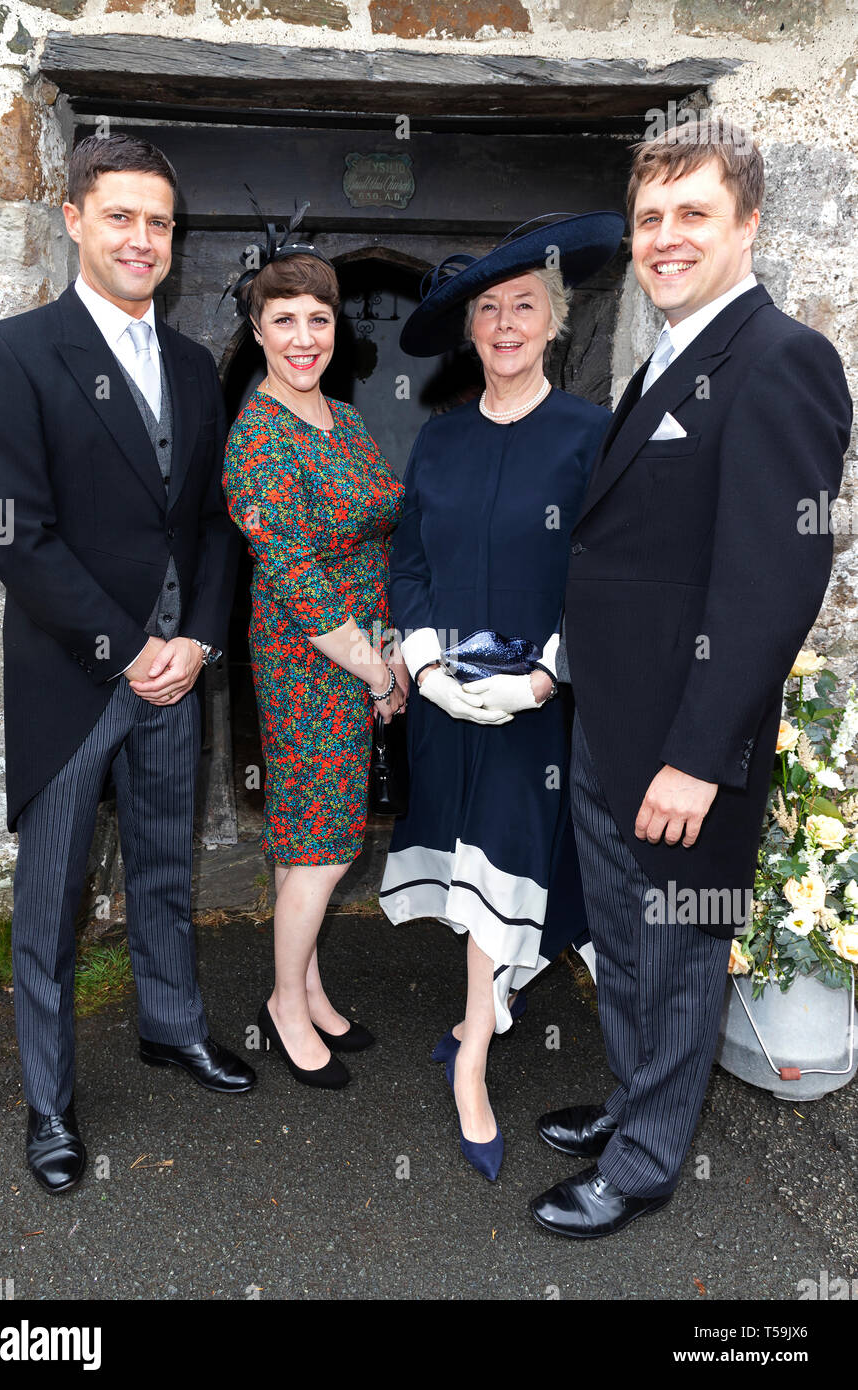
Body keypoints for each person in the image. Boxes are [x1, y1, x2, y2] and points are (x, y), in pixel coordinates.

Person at [530, 122, 853, 1239]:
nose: (664, 239)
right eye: (650, 217)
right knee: (621, 941)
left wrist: (694, 759)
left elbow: (767, 586)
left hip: (678, 744)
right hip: (608, 727)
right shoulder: (667, 352)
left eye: (692, 215)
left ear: (747, 223)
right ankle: (632, 1102)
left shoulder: (779, 360)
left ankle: (647, 1162)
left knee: (673, 954)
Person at [0, 134, 256, 1195]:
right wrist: (128, 647)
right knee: (48, 906)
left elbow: (216, 524)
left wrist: (196, 643)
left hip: (175, 676)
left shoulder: (190, 363)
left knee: (166, 871)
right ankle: (49, 1100)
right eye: (122, 216)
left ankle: (170, 1027)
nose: (142, 239)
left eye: (159, 224)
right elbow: (15, 533)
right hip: (75, 679)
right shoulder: (13, 350)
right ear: (76, 220)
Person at [379, 212, 626, 1180]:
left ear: (552, 322)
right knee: (467, 866)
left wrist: (544, 671)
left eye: (524, 305)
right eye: (488, 309)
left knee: (510, 863)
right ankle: (480, 1011)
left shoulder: (590, 434)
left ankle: (473, 1060)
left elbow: (605, 573)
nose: (506, 322)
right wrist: (428, 663)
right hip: (448, 705)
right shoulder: (437, 442)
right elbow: (408, 564)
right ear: (470, 331)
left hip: (541, 710)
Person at [222, 207, 406, 1090]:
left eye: (319, 319)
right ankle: (283, 1006)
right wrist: (374, 667)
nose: (303, 337)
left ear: (336, 329)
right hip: (309, 659)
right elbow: (295, 575)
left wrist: (391, 650)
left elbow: (376, 537)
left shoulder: (342, 417)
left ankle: (312, 985)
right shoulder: (259, 435)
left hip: (359, 651)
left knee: (324, 833)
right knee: (323, 845)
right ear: (258, 330)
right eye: (284, 320)